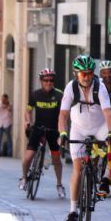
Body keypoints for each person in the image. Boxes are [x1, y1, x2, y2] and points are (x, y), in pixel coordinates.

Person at [58, 55, 111, 221]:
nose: (87, 76)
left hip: (99, 127)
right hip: (79, 130)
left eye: (90, 73)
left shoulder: (100, 88)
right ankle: (73, 212)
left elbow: (108, 113)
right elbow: (63, 115)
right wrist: (63, 133)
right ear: (76, 73)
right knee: (77, 168)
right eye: (84, 73)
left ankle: (105, 179)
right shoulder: (70, 88)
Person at [22, 68, 65, 198]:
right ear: (41, 81)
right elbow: (28, 110)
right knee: (28, 157)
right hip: (38, 129)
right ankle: (24, 177)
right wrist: (28, 122)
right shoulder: (35, 95)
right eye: (46, 80)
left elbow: (64, 114)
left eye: (51, 80)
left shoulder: (59, 95)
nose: (48, 82)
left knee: (56, 159)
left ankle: (59, 185)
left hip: (54, 130)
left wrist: (63, 131)